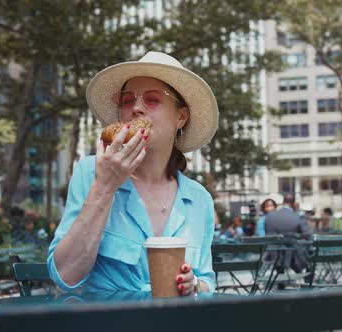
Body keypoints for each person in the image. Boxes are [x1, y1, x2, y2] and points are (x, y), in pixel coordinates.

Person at [47, 51, 219, 296]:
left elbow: (207, 283)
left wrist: (193, 285)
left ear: (181, 116)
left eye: (152, 99)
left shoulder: (199, 199)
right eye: (127, 100)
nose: (136, 108)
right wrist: (105, 186)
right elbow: (65, 277)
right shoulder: (90, 171)